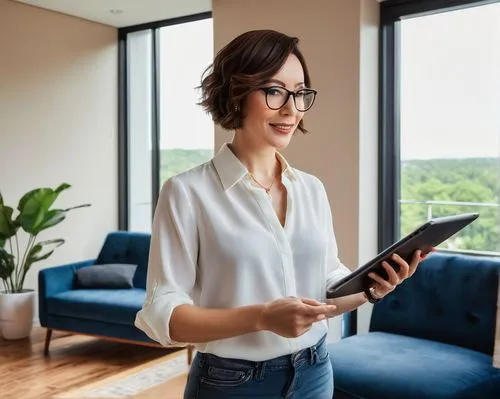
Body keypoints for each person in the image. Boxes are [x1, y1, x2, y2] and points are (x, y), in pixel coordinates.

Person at [135, 29, 423, 399]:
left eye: (300, 93)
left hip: (315, 370)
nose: (292, 108)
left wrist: (372, 289)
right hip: (230, 382)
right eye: (274, 91)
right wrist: (262, 317)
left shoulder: (311, 189)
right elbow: (165, 316)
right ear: (236, 93)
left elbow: (325, 289)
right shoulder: (186, 192)